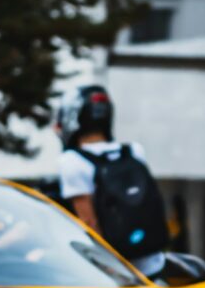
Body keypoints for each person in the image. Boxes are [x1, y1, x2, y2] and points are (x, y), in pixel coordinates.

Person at [55, 84, 169, 270]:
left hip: (118, 272)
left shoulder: (71, 161)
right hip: (154, 262)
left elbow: (89, 224)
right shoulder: (134, 151)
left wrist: (106, 269)